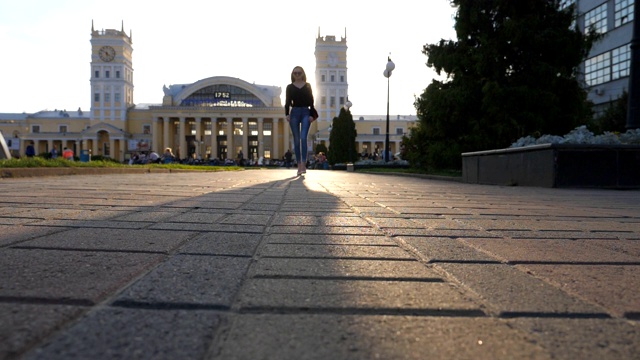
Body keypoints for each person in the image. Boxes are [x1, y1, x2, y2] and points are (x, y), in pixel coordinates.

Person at [285, 66, 317, 176]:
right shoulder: (289, 87)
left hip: (305, 112)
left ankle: (304, 164)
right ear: (292, 74)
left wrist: (312, 114)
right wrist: (287, 114)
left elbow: (312, 101)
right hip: (294, 113)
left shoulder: (308, 86)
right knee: (296, 140)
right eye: (295, 73)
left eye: (299, 73)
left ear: (303, 74)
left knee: (303, 138)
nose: (297, 75)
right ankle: (298, 165)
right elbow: (288, 102)